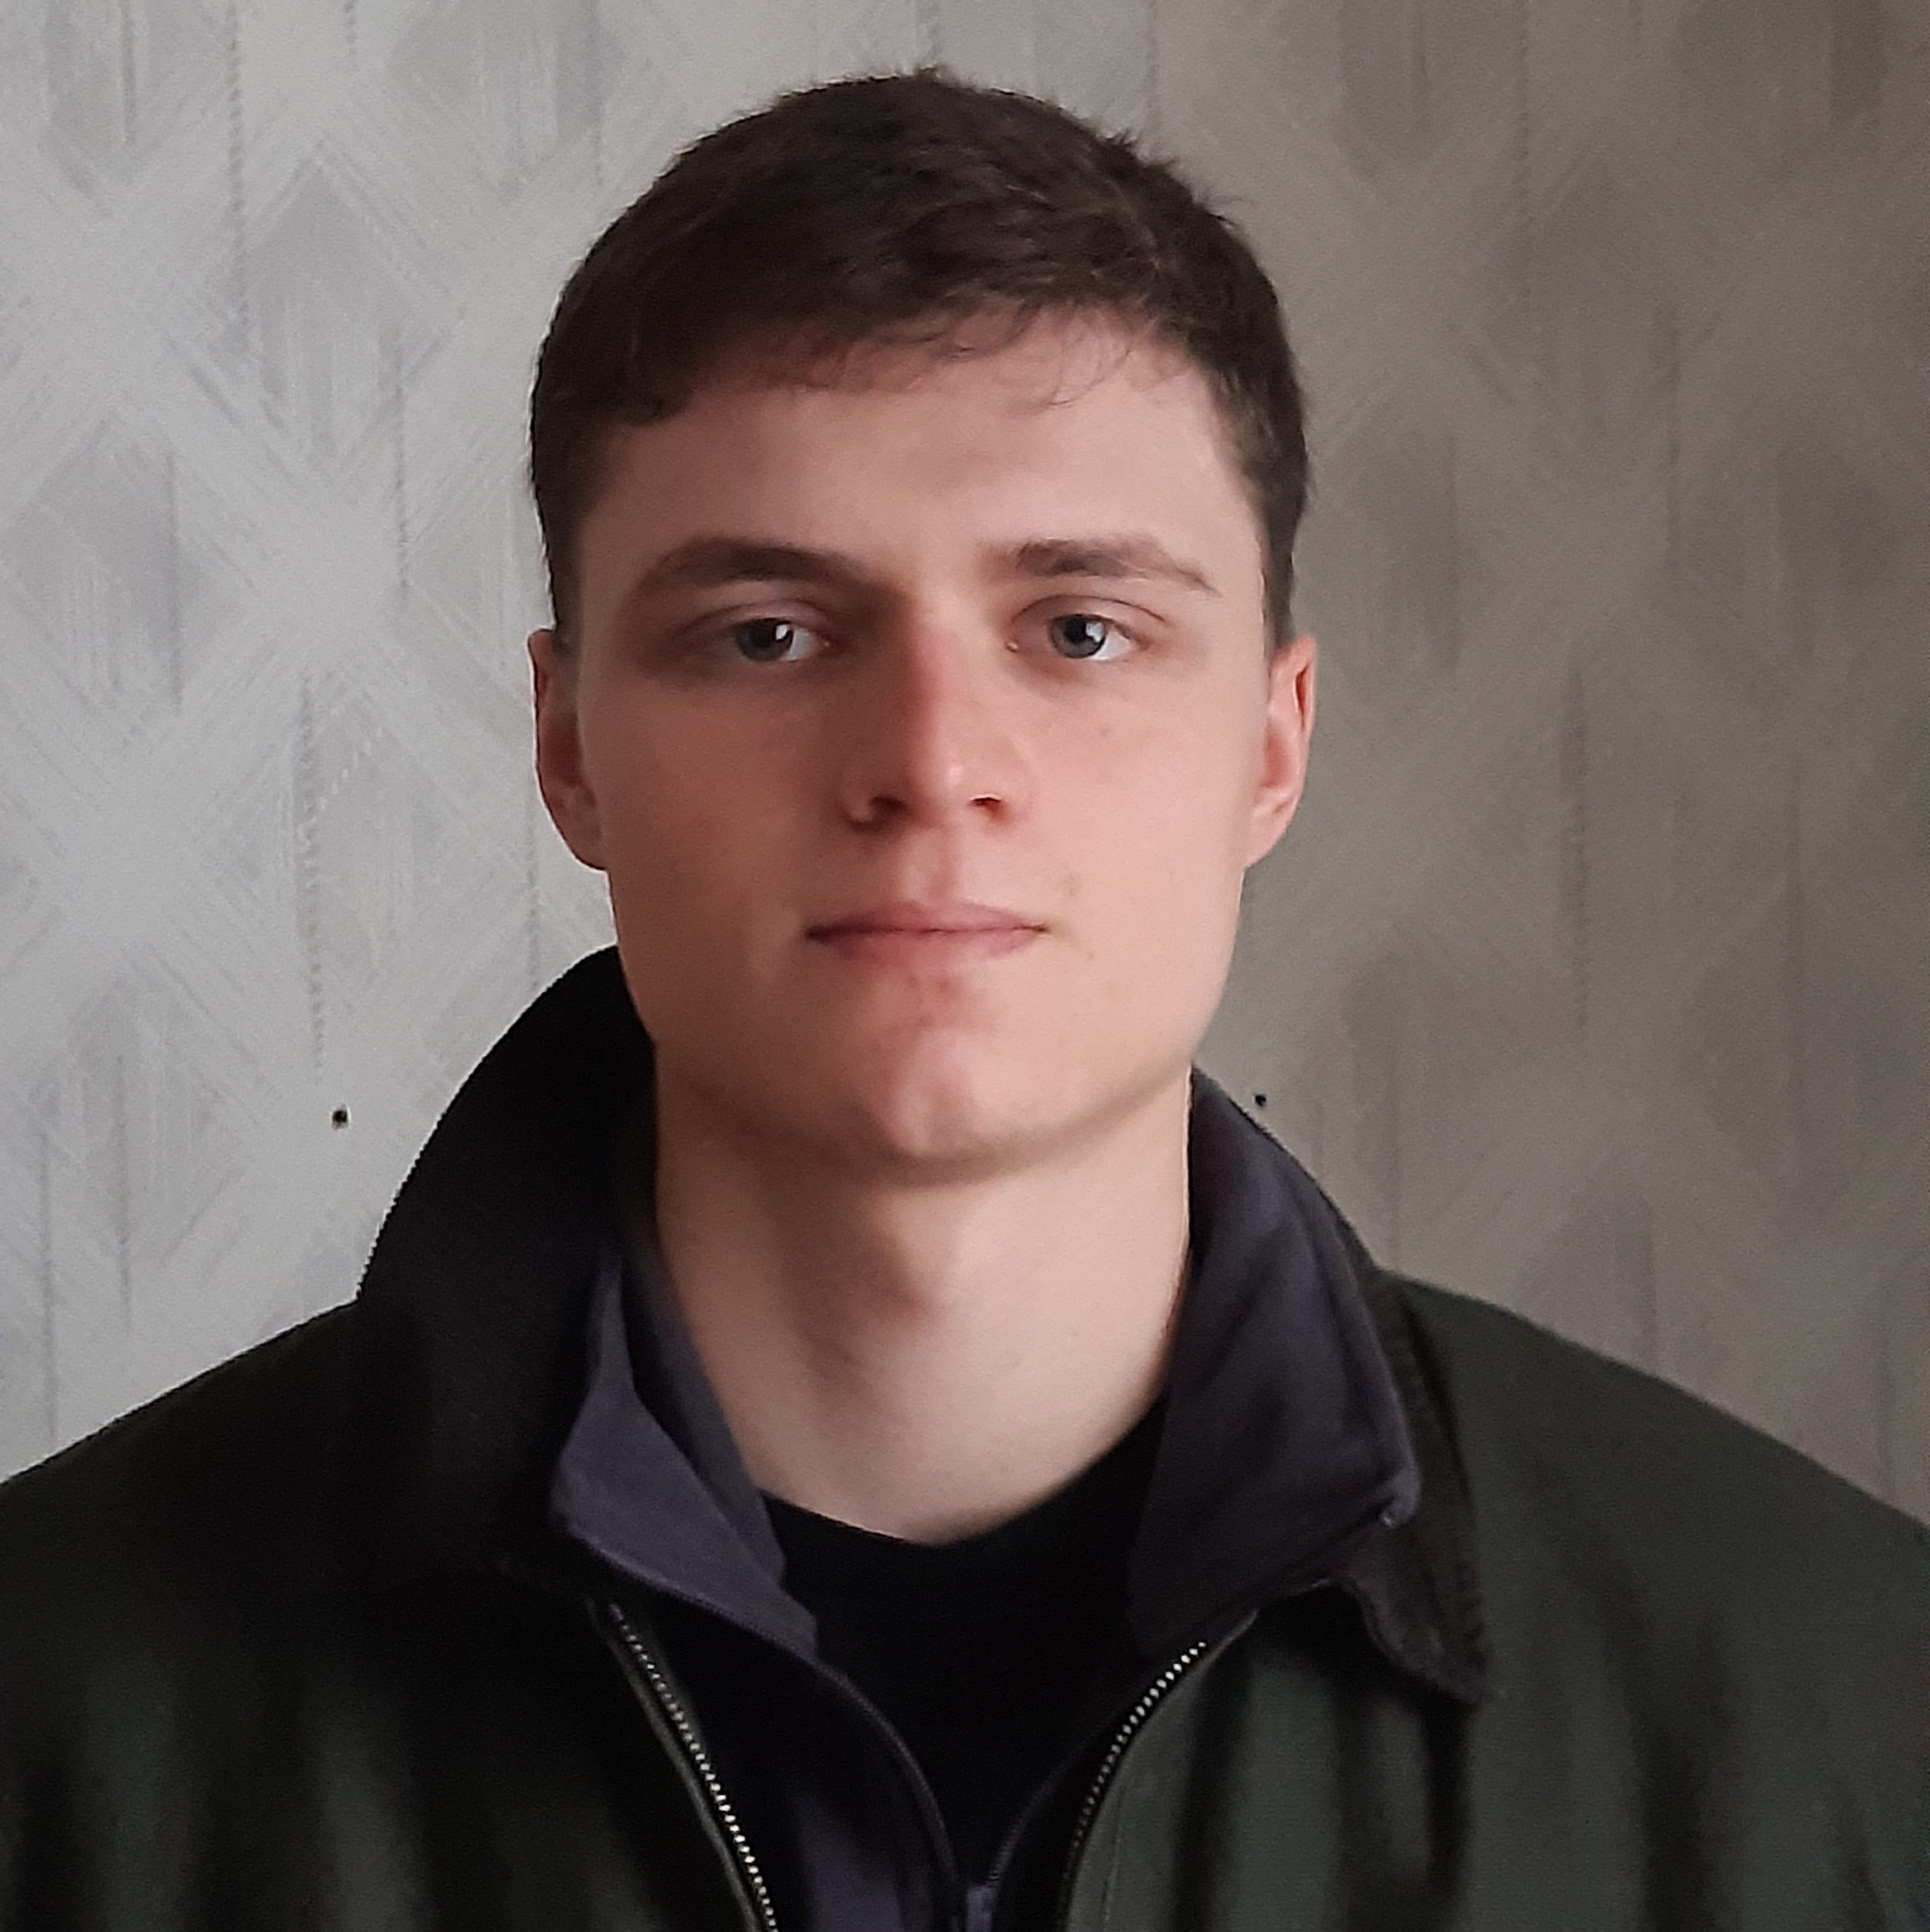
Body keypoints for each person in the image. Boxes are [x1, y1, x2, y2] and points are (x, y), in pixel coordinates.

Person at [0, 65, 1923, 1932]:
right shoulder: (59, 1710)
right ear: (569, 745)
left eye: (1082, 628)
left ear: (1275, 745)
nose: (930, 759)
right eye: (767, 632)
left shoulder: (1844, 1704)